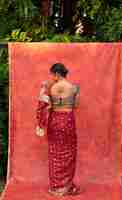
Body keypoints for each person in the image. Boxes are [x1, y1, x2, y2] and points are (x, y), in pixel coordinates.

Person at [36, 63, 80, 197]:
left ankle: (56, 188)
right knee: (69, 152)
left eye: (53, 75)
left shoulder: (52, 87)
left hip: (55, 121)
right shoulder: (74, 88)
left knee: (55, 153)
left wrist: (43, 88)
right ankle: (66, 187)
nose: (52, 77)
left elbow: (43, 104)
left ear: (57, 73)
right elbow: (76, 106)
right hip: (68, 121)